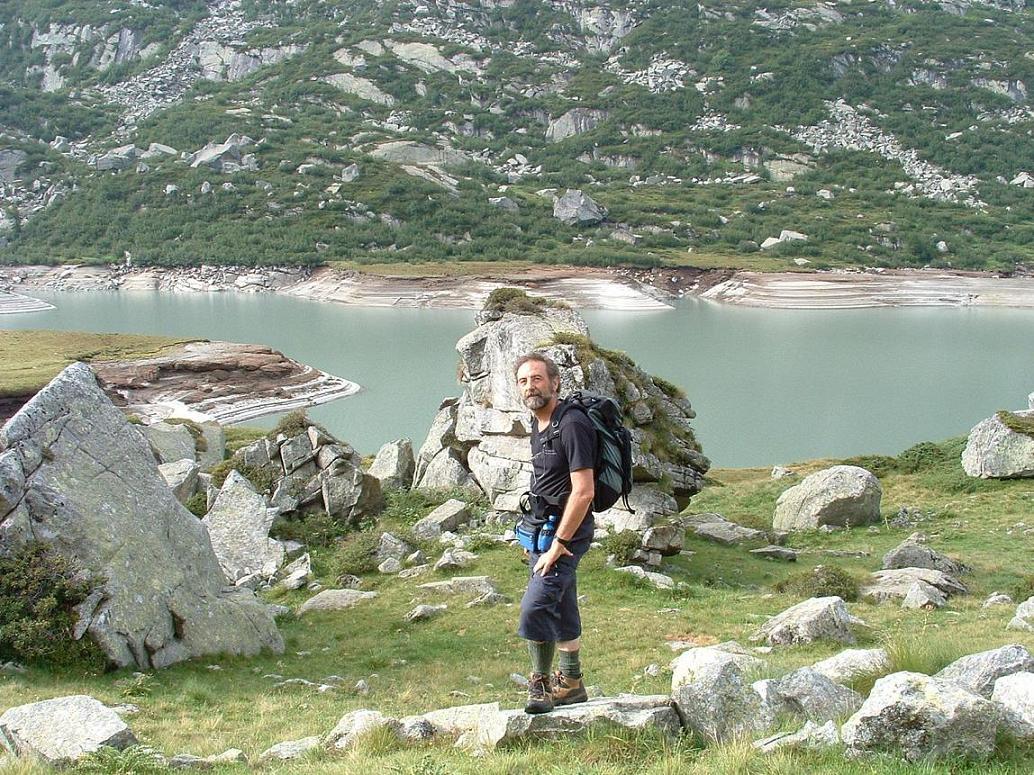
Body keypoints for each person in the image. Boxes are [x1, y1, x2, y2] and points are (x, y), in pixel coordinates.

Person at [513, 352, 596, 714]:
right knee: (562, 603)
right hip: (542, 532)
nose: (531, 386)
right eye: (523, 381)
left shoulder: (572, 424)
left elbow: (584, 491)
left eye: (537, 378)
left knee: (535, 607)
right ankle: (573, 683)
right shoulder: (539, 423)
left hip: (565, 535)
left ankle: (540, 685)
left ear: (555, 382)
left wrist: (559, 545)